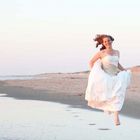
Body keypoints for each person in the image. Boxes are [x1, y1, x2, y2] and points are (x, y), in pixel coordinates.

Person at [85, 34, 132, 126]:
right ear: (103, 43)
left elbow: (117, 64)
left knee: (118, 95)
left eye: (108, 40)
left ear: (112, 41)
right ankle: (111, 111)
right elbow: (91, 62)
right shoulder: (101, 53)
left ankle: (116, 117)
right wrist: (94, 73)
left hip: (116, 75)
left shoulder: (117, 52)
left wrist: (125, 70)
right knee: (109, 96)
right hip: (105, 77)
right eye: (105, 41)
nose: (107, 42)